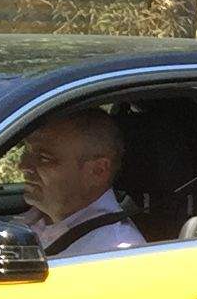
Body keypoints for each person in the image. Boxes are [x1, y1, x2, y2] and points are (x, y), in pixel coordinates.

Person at [15, 110, 145, 256]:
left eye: (45, 158)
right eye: (26, 150)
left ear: (98, 171)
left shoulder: (113, 253)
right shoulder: (35, 220)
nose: (23, 165)